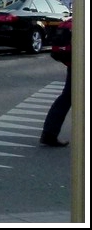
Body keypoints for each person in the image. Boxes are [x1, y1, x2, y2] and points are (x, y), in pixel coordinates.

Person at [41, 17, 71, 147]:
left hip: (75, 61)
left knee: (67, 96)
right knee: (68, 96)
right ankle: (49, 133)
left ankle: (49, 133)